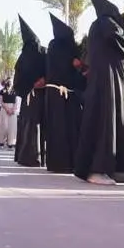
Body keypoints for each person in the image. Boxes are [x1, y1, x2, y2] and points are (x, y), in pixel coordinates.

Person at [74, 0, 124, 185]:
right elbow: (118, 39)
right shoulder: (104, 22)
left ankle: (120, 168)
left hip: (116, 83)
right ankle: (97, 169)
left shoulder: (101, 26)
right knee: (107, 122)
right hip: (108, 84)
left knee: (121, 122)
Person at [44, 13, 86, 173]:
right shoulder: (59, 47)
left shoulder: (53, 46)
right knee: (63, 129)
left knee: (63, 128)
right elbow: (64, 66)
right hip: (61, 93)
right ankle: (64, 163)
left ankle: (60, 163)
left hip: (64, 94)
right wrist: (74, 64)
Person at [13, 16, 47, 167]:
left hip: (36, 97)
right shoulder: (44, 53)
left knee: (32, 125)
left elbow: (17, 84)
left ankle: (28, 156)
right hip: (39, 96)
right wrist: (36, 84)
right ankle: (38, 157)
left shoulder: (23, 58)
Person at [0, 78, 19, 148]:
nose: (10, 83)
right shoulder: (2, 91)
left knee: (12, 127)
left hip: (13, 109)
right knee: (3, 126)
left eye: (11, 82)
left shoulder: (14, 91)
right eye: (9, 82)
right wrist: (7, 109)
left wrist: (13, 109)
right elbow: (1, 101)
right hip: (4, 109)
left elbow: (16, 101)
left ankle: (10, 143)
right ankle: (2, 142)